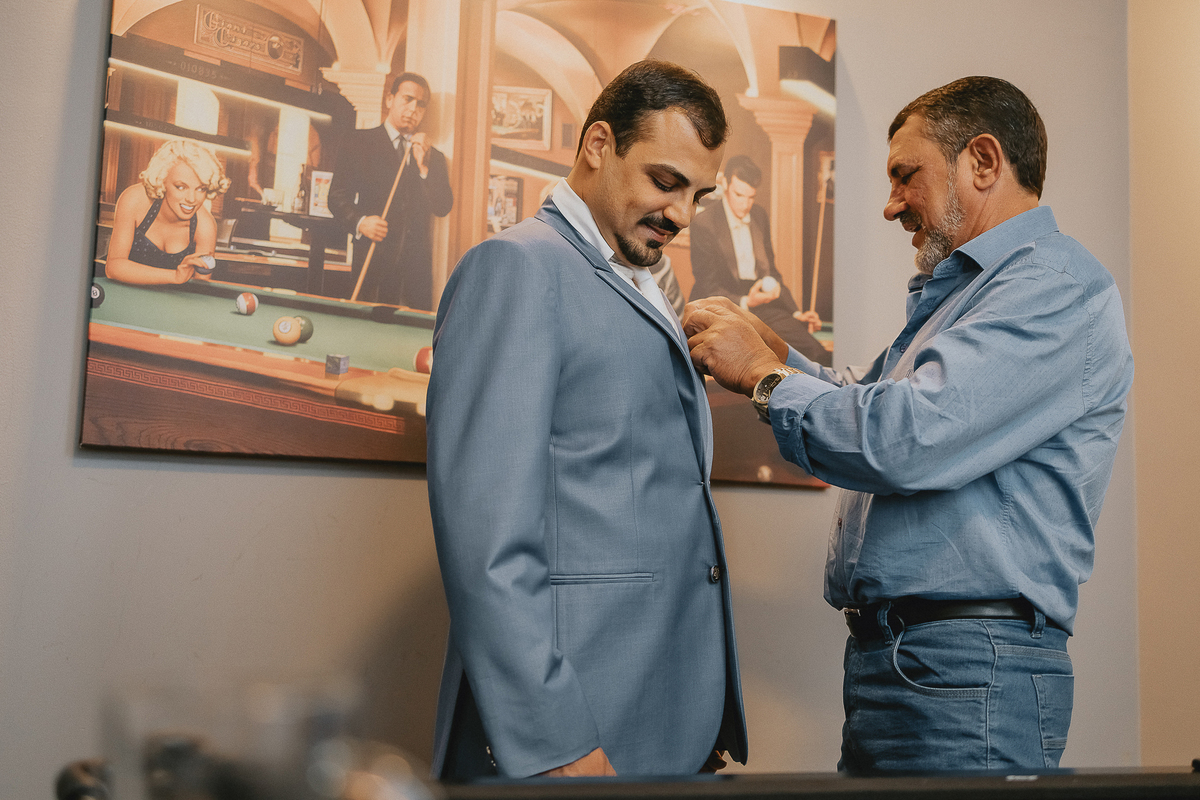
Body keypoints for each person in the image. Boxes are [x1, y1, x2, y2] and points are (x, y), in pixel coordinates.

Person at [685, 76, 1133, 772]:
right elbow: (874, 400)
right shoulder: (970, 292)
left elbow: (903, 437)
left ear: (982, 161)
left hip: (968, 671)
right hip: (909, 664)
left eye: (905, 175)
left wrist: (765, 378)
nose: (891, 203)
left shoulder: (1053, 286)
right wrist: (776, 353)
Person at [426, 60, 747, 779]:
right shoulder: (515, 267)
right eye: (665, 181)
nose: (683, 215)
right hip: (567, 736)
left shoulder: (646, 281)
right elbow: (486, 544)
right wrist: (554, 742)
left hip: (659, 718)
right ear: (599, 145)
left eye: (699, 195)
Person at [328, 72, 453, 309]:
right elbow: (336, 197)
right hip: (373, 265)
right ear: (389, 99)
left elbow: (442, 206)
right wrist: (361, 222)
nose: (413, 109)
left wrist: (424, 168)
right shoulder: (358, 142)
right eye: (407, 99)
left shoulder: (433, 157)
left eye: (421, 104)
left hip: (415, 275)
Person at [689, 155, 829, 366]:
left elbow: (772, 272)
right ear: (725, 184)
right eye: (739, 195)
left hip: (762, 305)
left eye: (751, 197)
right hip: (721, 305)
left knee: (815, 353)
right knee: (745, 363)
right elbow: (707, 286)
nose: (745, 204)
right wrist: (746, 302)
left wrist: (795, 313)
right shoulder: (704, 223)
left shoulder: (759, 216)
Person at [105, 139, 229, 285]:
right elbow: (113, 267)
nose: (191, 199)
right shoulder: (135, 199)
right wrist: (174, 276)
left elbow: (200, 285)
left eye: (201, 189)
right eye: (181, 187)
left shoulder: (205, 226)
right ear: (162, 180)